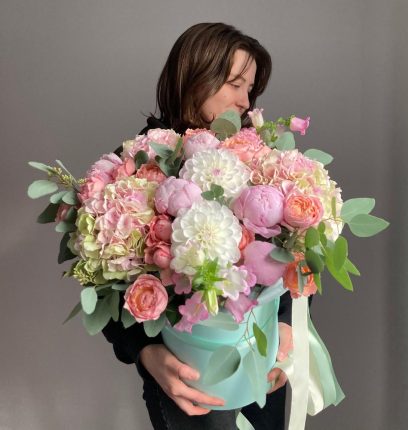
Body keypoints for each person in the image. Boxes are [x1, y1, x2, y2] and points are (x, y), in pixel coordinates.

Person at [104, 22, 300, 430]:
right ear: (195, 77)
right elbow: (104, 280)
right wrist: (145, 353)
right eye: (235, 84)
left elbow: (292, 253)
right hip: (186, 378)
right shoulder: (136, 166)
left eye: (250, 89)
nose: (245, 101)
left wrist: (284, 323)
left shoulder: (259, 160)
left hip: (261, 365)